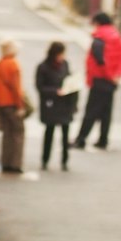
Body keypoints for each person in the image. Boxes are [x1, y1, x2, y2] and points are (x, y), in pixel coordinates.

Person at [72, 11, 121, 151]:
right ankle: (103, 139)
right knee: (106, 112)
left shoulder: (100, 38)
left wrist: (109, 75)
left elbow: (100, 61)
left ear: (98, 23)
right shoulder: (117, 37)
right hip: (112, 81)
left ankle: (81, 139)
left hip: (100, 79)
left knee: (91, 110)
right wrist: (116, 76)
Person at [0, 39, 28, 173]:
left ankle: (5, 162)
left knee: (6, 134)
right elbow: (16, 88)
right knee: (17, 133)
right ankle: (15, 163)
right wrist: (20, 105)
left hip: (0, 103)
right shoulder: (13, 65)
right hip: (12, 103)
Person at [35, 41, 78, 170]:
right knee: (49, 133)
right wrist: (55, 92)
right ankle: (45, 159)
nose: (62, 57)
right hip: (51, 105)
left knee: (65, 134)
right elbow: (40, 87)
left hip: (65, 105)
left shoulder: (65, 64)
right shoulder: (43, 67)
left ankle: (65, 161)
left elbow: (70, 80)